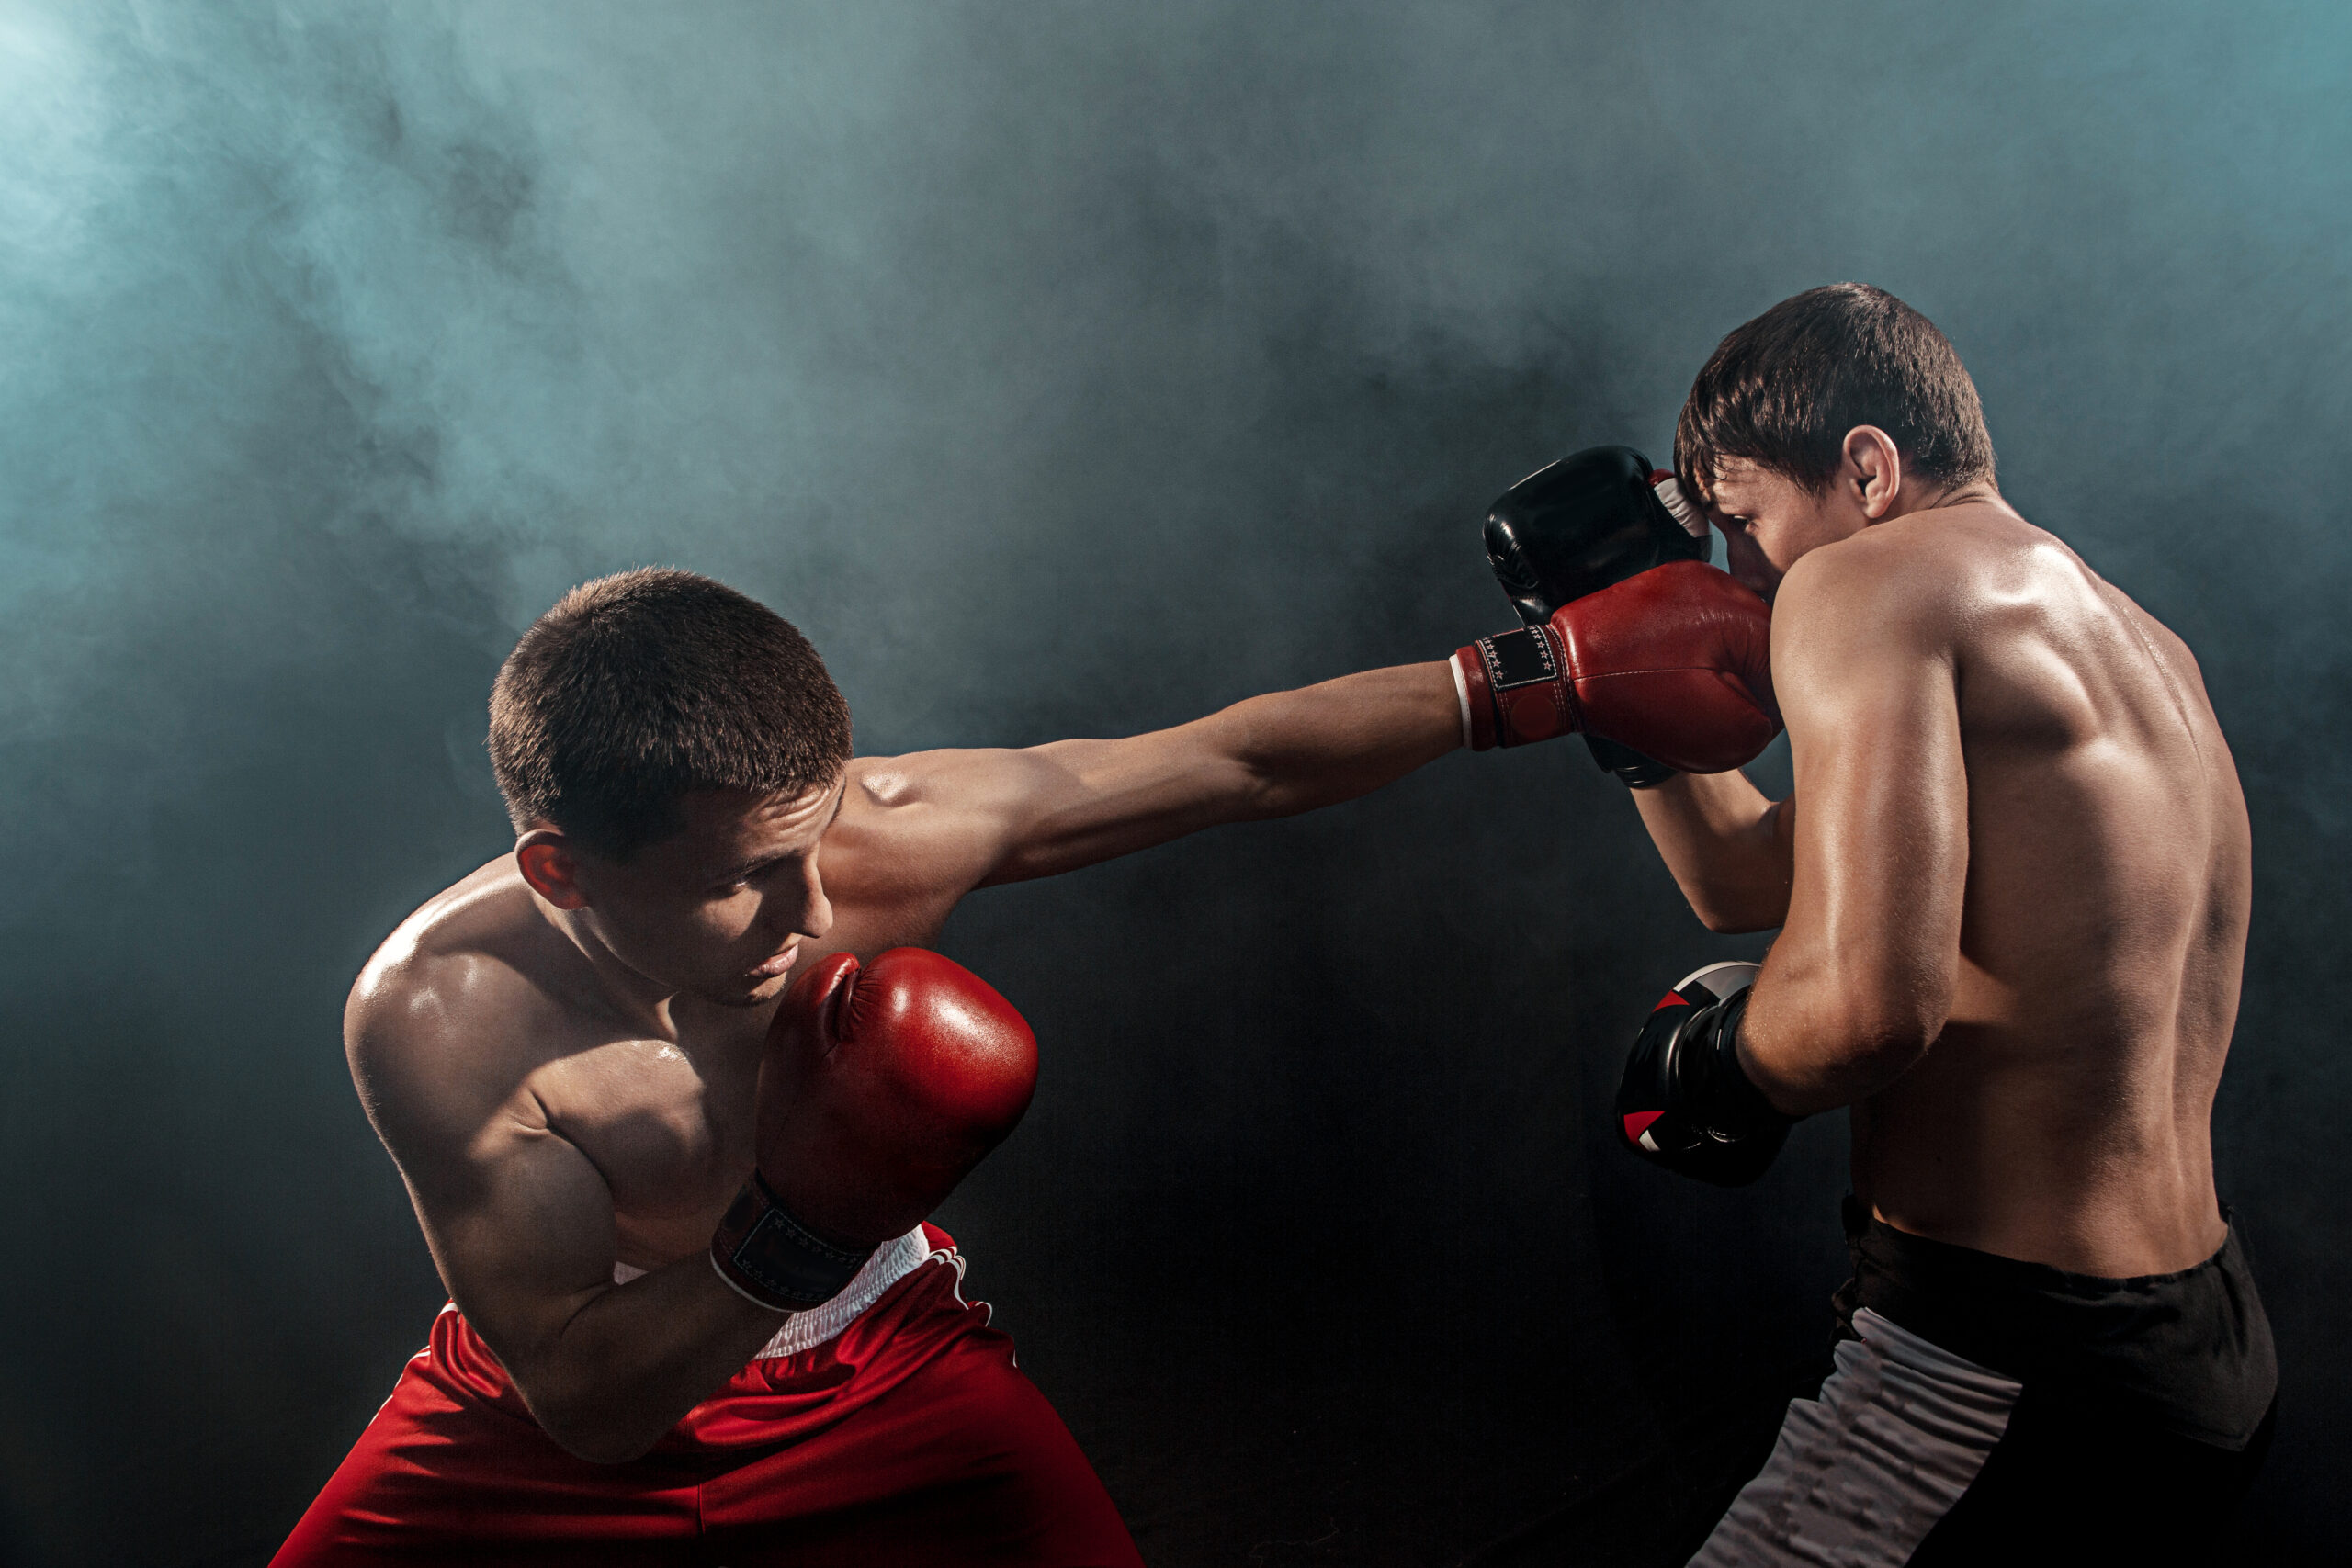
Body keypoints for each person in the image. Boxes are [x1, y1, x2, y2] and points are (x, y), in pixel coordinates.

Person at [275, 546, 1777, 1565]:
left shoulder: (873, 841)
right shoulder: (436, 1015)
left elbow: (1230, 760)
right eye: (744, 878)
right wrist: (792, 1223)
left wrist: (1532, 675)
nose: (816, 912)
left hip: (875, 1368)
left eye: (819, 840)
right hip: (556, 1393)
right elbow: (589, 1405)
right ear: (563, 873)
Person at [1600, 284, 2275, 1562]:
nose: (1738, 572)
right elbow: (1749, 877)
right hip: (2202, 1341)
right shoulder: (2139, 645)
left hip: (2008, 1354)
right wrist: (1626, 702)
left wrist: (1713, 1067)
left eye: (1743, 520)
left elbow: (1868, 1009)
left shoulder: (1867, 585)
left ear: (1865, 466)